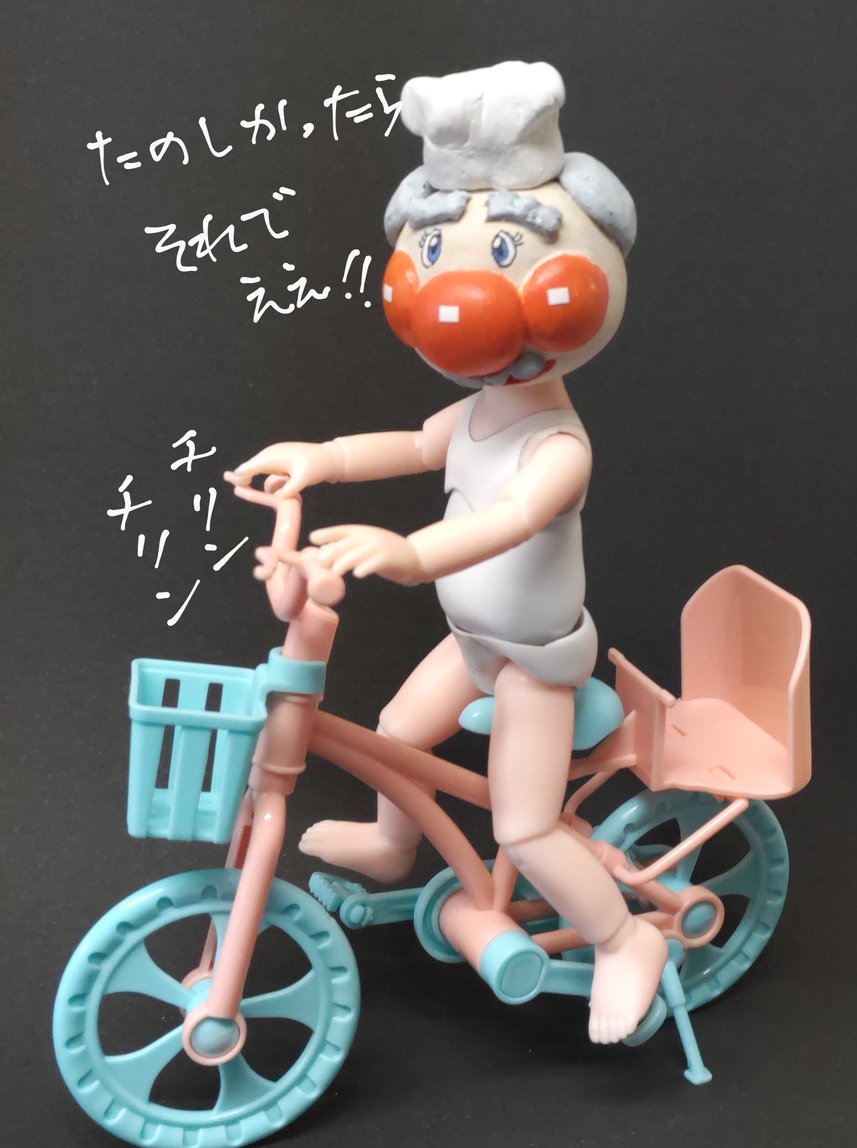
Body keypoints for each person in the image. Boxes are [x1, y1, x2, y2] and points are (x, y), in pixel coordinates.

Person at [231, 62, 667, 1044]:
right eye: (437, 253)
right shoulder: (474, 414)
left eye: (504, 253)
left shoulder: (558, 445)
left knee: (525, 825)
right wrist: (322, 458)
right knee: (395, 730)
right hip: (471, 642)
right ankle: (394, 847)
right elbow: (410, 446)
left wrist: (411, 551)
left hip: (535, 666)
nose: (459, 295)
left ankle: (622, 938)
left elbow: (509, 520)